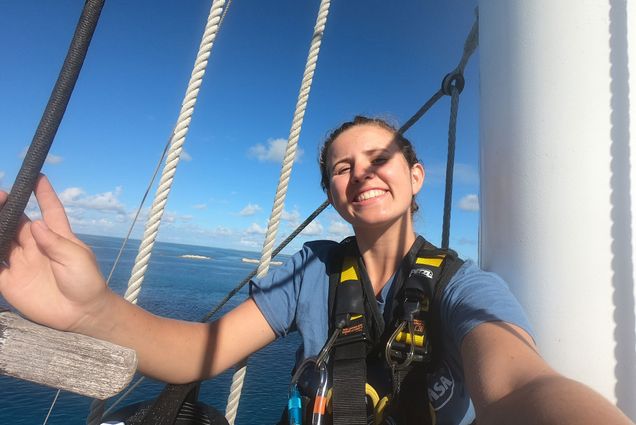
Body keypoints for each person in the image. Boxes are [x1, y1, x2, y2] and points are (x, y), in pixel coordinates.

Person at [0, 116, 632, 425]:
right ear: (334, 194)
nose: (361, 172)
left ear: (414, 180)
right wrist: (92, 309)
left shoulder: (463, 289)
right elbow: (196, 352)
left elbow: (521, 388)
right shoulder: (311, 274)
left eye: (380, 157)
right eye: (340, 166)